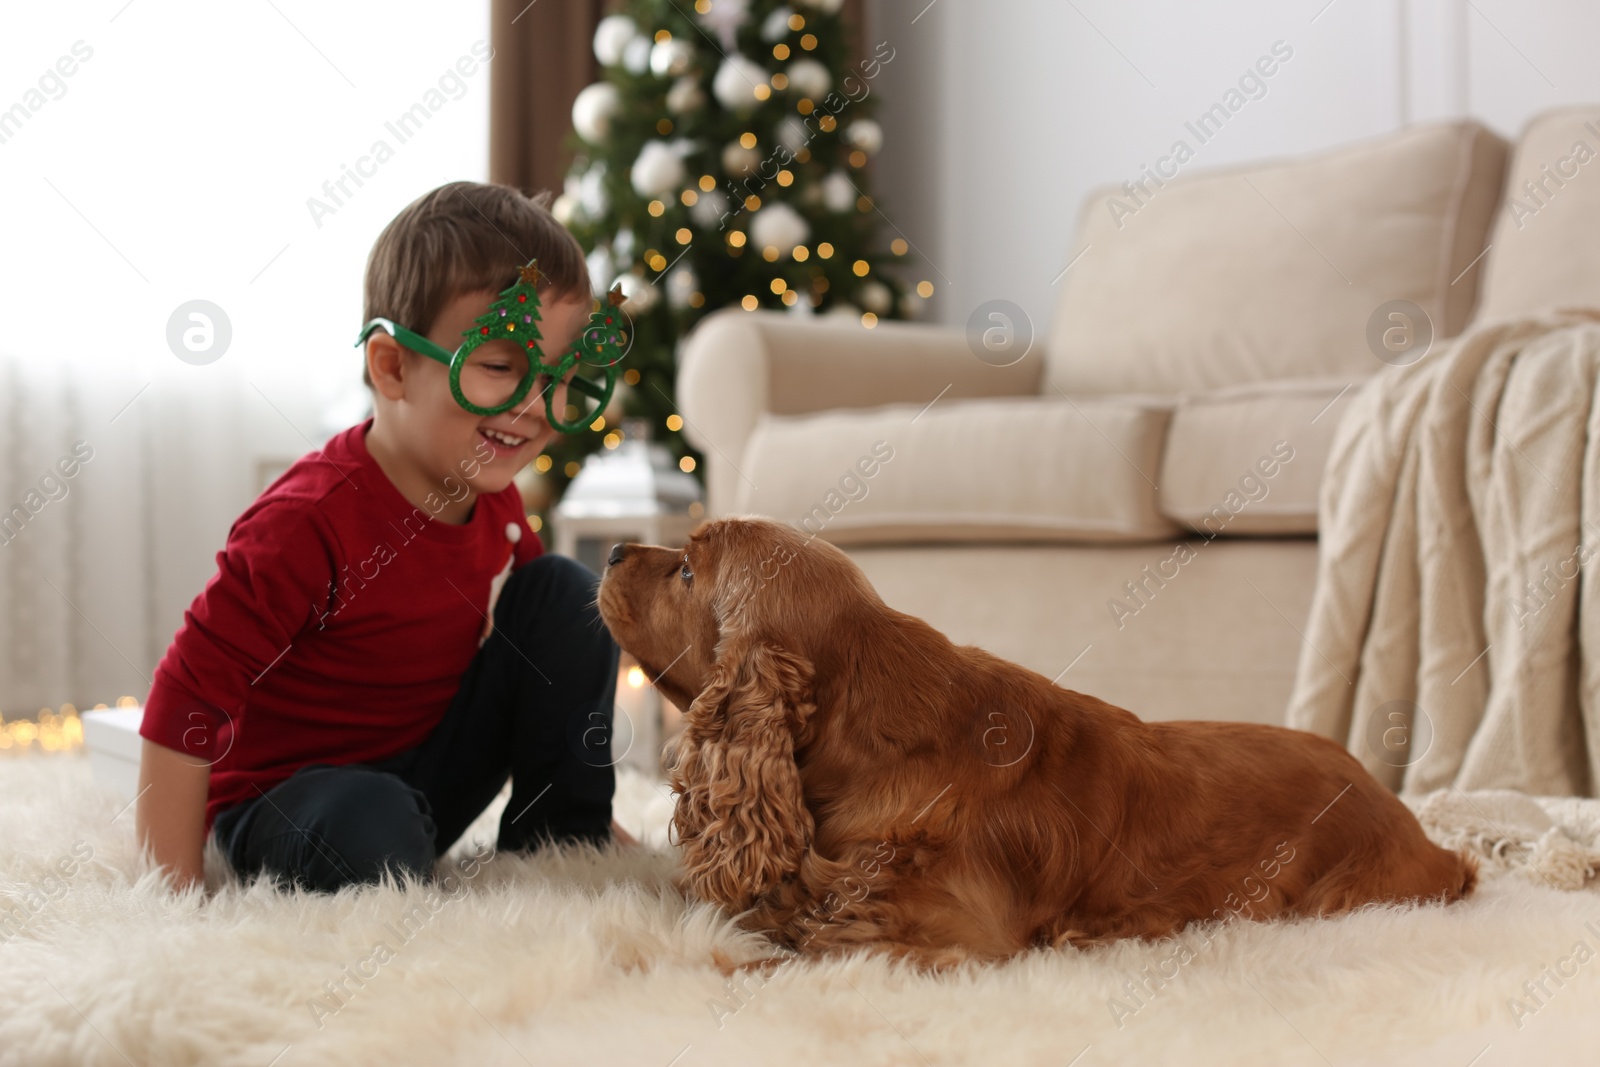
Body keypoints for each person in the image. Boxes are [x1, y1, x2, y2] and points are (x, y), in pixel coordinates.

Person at [135, 180, 635, 893]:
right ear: (392, 366)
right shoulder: (308, 520)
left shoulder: (493, 497)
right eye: (498, 366)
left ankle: (562, 833)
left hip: (424, 769)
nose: (533, 407)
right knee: (373, 825)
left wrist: (580, 792)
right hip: (292, 799)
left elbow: (545, 647)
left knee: (570, 592)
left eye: (558, 377)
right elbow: (185, 696)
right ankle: (386, 849)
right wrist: (170, 891)